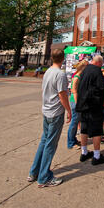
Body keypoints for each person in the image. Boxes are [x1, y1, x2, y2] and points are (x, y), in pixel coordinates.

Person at [28, 49, 72, 188]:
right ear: (62, 58)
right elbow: (62, 95)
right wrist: (69, 110)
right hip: (55, 113)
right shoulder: (60, 74)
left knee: (44, 141)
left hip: (46, 111)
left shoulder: (47, 71)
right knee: (50, 145)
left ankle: (34, 172)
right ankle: (44, 178)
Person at [76, 55, 104, 165]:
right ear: (99, 63)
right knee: (96, 131)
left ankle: (84, 152)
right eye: (102, 64)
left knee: (84, 129)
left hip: (83, 104)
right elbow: (101, 86)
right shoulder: (97, 71)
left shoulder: (85, 70)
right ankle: (96, 156)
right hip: (93, 106)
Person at [67, 59, 89, 150]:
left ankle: (73, 139)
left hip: (78, 102)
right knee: (74, 123)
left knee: (76, 123)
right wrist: (77, 104)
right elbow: (74, 91)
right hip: (75, 102)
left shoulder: (79, 76)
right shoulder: (76, 77)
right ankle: (70, 142)